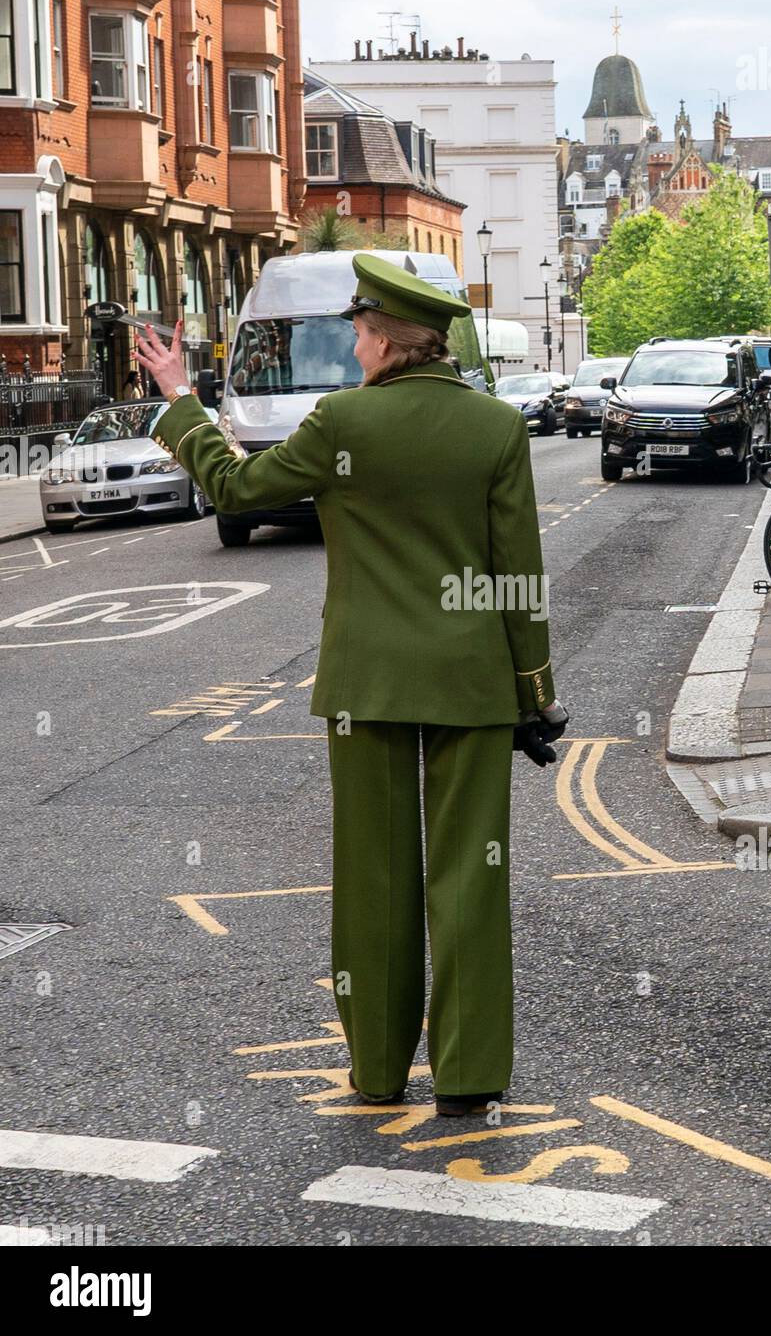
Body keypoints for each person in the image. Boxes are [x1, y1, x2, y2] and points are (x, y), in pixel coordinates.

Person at [134, 252, 567, 1118]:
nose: (357, 351)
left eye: (362, 336)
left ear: (387, 343)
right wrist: (535, 693)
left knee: (373, 877)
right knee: (470, 878)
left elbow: (236, 487)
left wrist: (180, 398)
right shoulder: (495, 428)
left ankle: (376, 1068)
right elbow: (518, 575)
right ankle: (470, 1073)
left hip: (366, 683)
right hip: (474, 682)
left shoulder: (340, 424)